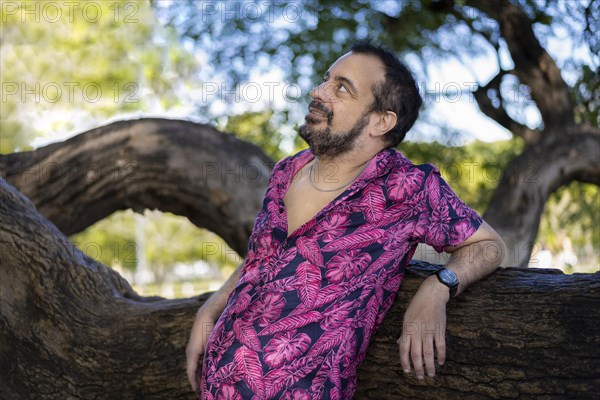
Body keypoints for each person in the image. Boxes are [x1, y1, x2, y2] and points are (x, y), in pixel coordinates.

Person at [186, 42, 506, 399]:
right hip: (215, 384)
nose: (318, 92)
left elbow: (489, 246)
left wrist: (438, 286)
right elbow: (263, 258)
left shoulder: (407, 188)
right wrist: (211, 307)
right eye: (326, 80)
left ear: (381, 121)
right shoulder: (286, 172)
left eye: (341, 88)